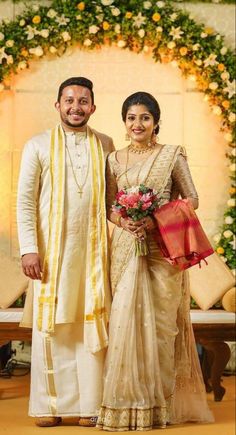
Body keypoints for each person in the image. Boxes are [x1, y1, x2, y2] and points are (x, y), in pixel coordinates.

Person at [97, 91, 214, 431]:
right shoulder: (113, 160)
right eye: (132, 118)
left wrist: (153, 219)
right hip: (124, 249)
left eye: (145, 118)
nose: (138, 124)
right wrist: (125, 221)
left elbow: (191, 198)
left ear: (156, 122)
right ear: (124, 122)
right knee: (123, 323)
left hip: (163, 250)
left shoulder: (172, 155)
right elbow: (109, 206)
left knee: (161, 329)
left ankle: (157, 406)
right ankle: (123, 406)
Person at [17, 77, 114, 427]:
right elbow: (25, 201)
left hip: (92, 254)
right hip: (50, 256)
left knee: (89, 326)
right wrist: (29, 249)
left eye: (84, 100)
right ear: (57, 105)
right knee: (52, 328)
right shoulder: (37, 145)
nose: (76, 106)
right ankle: (49, 406)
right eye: (69, 99)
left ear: (93, 106)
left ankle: (90, 405)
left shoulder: (105, 143)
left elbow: (110, 201)